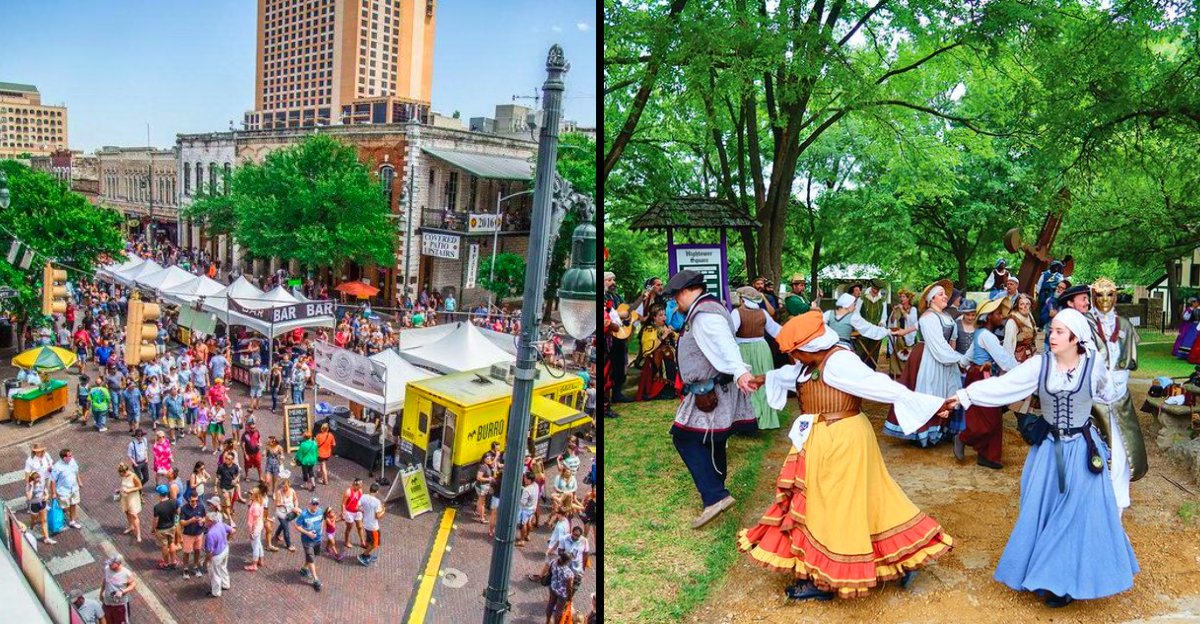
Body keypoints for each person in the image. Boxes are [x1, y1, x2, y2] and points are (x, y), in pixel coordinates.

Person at [738, 311, 953, 600]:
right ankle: (899, 558)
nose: (794, 358)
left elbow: (882, 386)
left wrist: (931, 404)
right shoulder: (810, 362)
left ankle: (826, 579)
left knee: (835, 505)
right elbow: (793, 377)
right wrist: (763, 379)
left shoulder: (840, 362)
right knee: (855, 501)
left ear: (811, 346)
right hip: (820, 438)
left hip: (842, 439)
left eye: (797, 352)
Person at [945, 308, 1138, 607]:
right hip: (1049, 451)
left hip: (1082, 450)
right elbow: (1003, 386)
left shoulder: (1093, 364)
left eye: (1060, 331)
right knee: (1042, 510)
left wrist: (1107, 389)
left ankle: (1063, 582)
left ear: (1076, 338)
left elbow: (1109, 394)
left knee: (1075, 514)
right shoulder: (1040, 365)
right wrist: (964, 396)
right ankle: (1047, 574)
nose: (1052, 336)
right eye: (1052, 330)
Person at [663, 270, 758, 529]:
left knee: (685, 438)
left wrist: (740, 371)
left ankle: (715, 496)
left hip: (711, 389)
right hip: (712, 386)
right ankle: (716, 490)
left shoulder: (705, 315)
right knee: (713, 440)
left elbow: (725, 345)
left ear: (686, 292)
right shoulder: (706, 309)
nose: (676, 303)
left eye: (676, 296)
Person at [1090, 277, 1147, 514]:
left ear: (1115, 296)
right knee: (1093, 453)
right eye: (1099, 294)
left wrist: (1119, 383)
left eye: (1109, 294)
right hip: (1093, 401)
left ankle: (1118, 506)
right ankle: (1093, 506)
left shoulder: (1124, 324)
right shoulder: (1086, 324)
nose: (1104, 299)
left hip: (1120, 399)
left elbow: (1127, 361)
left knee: (1122, 453)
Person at [884, 279, 965, 446]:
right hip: (928, 357)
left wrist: (953, 359)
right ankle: (922, 433)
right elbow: (938, 343)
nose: (945, 296)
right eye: (940, 294)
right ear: (931, 299)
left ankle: (938, 430)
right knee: (928, 392)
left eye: (945, 294)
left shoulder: (945, 316)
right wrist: (959, 358)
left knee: (941, 392)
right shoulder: (928, 317)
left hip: (943, 357)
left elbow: (951, 340)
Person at [953, 297, 1020, 469]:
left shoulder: (980, 334)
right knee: (988, 421)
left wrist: (963, 365)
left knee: (994, 419)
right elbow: (1004, 361)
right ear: (989, 316)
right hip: (982, 378)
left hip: (979, 376)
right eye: (998, 314)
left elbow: (969, 356)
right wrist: (1024, 369)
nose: (1001, 317)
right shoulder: (987, 336)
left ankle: (988, 456)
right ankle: (962, 438)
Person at [730, 287, 783, 428]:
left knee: (747, 382)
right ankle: (766, 417)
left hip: (743, 350)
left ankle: (750, 417)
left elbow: (730, 332)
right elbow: (776, 331)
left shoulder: (737, 313)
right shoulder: (763, 313)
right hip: (762, 349)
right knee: (763, 381)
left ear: (742, 299)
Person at [634, 305, 680, 402]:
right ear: (654, 317)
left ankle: (674, 389)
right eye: (660, 315)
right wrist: (663, 336)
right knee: (667, 363)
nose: (664, 317)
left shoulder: (665, 327)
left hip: (669, 354)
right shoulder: (650, 329)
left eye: (664, 315)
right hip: (656, 357)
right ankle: (663, 391)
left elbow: (677, 340)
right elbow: (648, 347)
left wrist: (673, 334)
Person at [854, 280, 889, 369]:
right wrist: (860, 325)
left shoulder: (882, 300)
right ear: (871, 287)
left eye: (877, 289)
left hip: (875, 331)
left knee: (873, 355)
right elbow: (856, 313)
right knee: (861, 354)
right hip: (863, 331)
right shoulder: (862, 298)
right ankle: (860, 372)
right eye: (874, 289)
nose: (875, 291)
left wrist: (882, 322)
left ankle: (871, 372)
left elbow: (884, 316)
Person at [203, 498, 235, 598]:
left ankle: (216, 592)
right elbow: (232, 531)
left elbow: (209, 551)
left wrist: (206, 561)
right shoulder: (220, 524)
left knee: (215, 574)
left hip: (216, 555)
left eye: (206, 520)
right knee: (223, 567)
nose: (204, 521)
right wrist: (227, 540)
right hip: (225, 549)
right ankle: (226, 584)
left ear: (211, 521)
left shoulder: (210, 534)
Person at [886, 289, 919, 379]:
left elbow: (912, 321)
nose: (901, 298)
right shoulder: (897, 308)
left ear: (908, 298)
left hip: (908, 337)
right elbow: (891, 322)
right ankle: (895, 374)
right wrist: (894, 312)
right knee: (895, 355)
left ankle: (906, 376)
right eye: (900, 297)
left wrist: (902, 310)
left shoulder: (913, 309)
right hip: (897, 336)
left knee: (907, 356)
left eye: (903, 296)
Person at [295, 497, 325, 592]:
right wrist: (308, 533)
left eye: (317, 504)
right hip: (307, 540)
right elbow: (297, 526)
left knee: (314, 555)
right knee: (311, 558)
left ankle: (304, 568)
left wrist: (321, 530)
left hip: (318, 539)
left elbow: (322, 521)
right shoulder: (304, 515)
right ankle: (316, 580)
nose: (315, 506)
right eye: (314, 504)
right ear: (309, 504)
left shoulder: (320, 511)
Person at [50, 448, 84, 530]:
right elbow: (53, 481)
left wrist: (79, 481)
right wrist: (54, 493)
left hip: (74, 488)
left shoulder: (72, 461)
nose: (72, 457)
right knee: (63, 507)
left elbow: (76, 471)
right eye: (70, 456)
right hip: (63, 491)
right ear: (64, 458)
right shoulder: (57, 467)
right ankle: (60, 521)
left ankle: (72, 521)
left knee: (74, 504)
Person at [101, 555, 135, 624]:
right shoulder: (107, 568)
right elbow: (105, 581)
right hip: (107, 602)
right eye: (109, 563)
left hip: (120, 604)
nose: (109, 565)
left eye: (111, 564)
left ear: (118, 563)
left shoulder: (126, 573)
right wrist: (101, 592)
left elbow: (132, 584)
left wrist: (123, 591)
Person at [152, 484, 179, 569]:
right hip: (171, 527)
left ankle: (166, 563)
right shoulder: (174, 502)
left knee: (164, 546)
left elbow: (156, 520)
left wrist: (153, 529)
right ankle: (173, 561)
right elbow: (178, 512)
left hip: (161, 529)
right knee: (172, 543)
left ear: (159, 494)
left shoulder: (157, 507)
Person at [545, 549, 575, 624]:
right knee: (559, 610)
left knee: (550, 605)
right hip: (562, 594)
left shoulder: (553, 562)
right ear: (567, 561)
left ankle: (547, 621)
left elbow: (549, 572)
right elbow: (569, 587)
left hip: (553, 587)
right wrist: (570, 597)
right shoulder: (569, 573)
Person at [357, 482, 384, 566]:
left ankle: (367, 554)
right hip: (373, 527)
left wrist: (363, 511)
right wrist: (383, 510)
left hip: (366, 524)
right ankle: (363, 555)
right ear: (377, 491)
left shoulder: (363, 497)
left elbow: (357, 507)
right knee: (375, 544)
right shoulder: (377, 502)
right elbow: (378, 516)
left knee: (369, 540)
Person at [117, 463, 143, 542]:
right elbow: (124, 485)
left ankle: (138, 534)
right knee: (127, 512)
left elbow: (140, 486)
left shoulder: (133, 476)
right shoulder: (124, 475)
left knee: (134, 515)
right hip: (125, 497)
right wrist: (119, 489)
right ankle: (131, 526)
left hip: (132, 498)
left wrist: (130, 490)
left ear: (125, 472)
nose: (122, 476)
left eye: (122, 474)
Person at [26, 472, 54, 544]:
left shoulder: (42, 483)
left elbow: (46, 492)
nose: (38, 479)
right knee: (34, 521)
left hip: (42, 503)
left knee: (44, 520)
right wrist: (32, 486)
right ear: (32, 479)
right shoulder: (29, 486)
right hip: (34, 505)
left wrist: (46, 496)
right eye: (37, 478)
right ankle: (31, 528)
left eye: (39, 477)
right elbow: (29, 497)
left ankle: (46, 538)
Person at [272, 478, 299, 552]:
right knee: (286, 529)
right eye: (283, 486)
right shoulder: (279, 492)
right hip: (281, 513)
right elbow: (277, 504)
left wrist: (296, 507)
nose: (284, 488)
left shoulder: (292, 491)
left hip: (290, 512)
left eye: (286, 486)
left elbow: (295, 499)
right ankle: (289, 545)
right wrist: (283, 505)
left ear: (289, 486)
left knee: (283, 525)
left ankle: (277, 535)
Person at [341, 478, 366, 550]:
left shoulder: (360, 490)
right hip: (349, 513)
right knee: (349, 528)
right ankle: (346, 542)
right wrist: (343, 513)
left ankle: (362, 541)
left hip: (357, 512)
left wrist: (362, 508)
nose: (361, 486)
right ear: (356, 485)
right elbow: (343, 504)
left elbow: (360, 501)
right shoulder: (348, 492)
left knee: (360, 526)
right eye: (360, 485)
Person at [216, 451, 241, 526]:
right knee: (228, 504)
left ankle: (222, 511)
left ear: (232, 460)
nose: (226, 460)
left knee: (227, 503)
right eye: (226, 458)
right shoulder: (221, 467)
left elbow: (238, 474)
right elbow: (217, 475)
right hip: (223, 488)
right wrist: (216, 487)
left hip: (231, 488)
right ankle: (231, 520)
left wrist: (236, 479)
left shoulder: (235, 467)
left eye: (229, 459)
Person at [244, 487, 265, 572]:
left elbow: (255, 520)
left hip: (255, 527)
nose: (250, 494)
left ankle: (254, 565)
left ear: (255, 495)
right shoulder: (259, 502)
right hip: (259, 525)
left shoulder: (255, 506)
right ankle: (261, 560)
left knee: (255, 546)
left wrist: (252, 532)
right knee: (258, 542)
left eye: (251, 493)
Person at [475, 453, 496, 523]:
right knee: (482, 503)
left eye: (490, 458)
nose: (489, 460)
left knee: (479, 500)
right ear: (484, 459)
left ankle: (478, 512)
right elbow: (478, 477)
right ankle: (482, 518)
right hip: (482, 486)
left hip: (482, 486)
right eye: (487, 458)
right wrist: (489, 479)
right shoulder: (483, 467)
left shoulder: (486, 465)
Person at [241, 418, 263, 483]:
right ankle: (247, 476)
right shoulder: (245, 435)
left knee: (259, 465)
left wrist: (260, 443)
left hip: (256, 453)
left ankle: (260, 477)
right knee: (247, 466)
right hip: (248, 453)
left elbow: (258, 438)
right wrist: (245, 454)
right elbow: (243, 445)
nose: (254, 429)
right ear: (249, 428)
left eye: (254, 428)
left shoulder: (257, 431)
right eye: (252, 428)